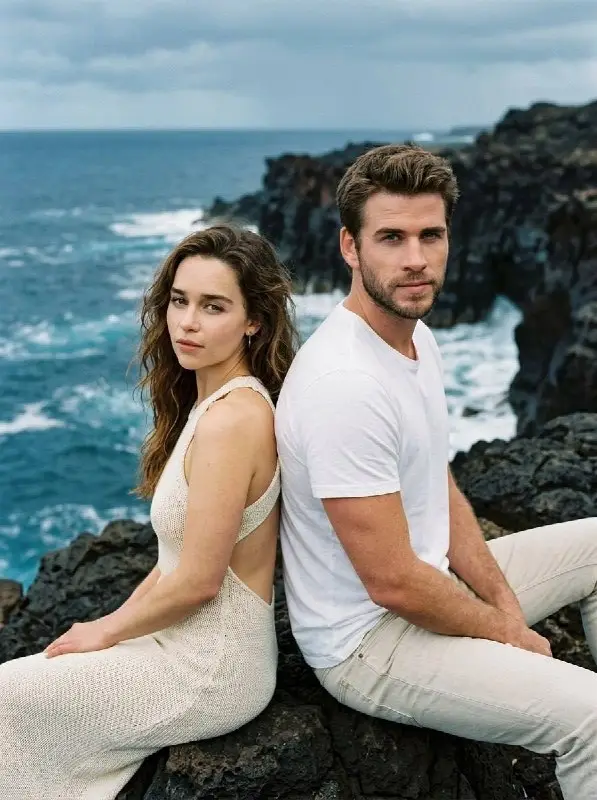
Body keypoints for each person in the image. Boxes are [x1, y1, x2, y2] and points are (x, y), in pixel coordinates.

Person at [274, 144, 597, 800]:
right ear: (348, 246)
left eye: (431, 235)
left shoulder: (415, 337)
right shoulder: (344, 383)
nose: (415, 258)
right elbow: (391, 582)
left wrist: (505, 608)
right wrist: (509, 635)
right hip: (366, 643)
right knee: (590, 718)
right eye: (390, 237)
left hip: (427, 586)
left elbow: (437, 485)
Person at [0, 224, 299, 799]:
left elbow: (199, 582)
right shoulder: (210, 404)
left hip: (210, 668)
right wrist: (108, 634)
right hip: (178, 643)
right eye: (179, 301)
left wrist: (103, 629)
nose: (187, 322)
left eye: (214, 307)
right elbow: (173, 564)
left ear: (254, 320)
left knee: (9, 696)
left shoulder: (233, 420)